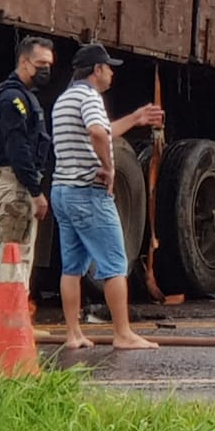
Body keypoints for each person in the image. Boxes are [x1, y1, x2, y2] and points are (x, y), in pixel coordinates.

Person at [50, 43, 164, 350]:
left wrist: (136, 118)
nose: (112, 73)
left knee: (71, 267)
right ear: (96, 70)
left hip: (62, 191)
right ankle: (123, 334)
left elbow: (105, 130)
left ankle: (73, 334)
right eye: (108, 67)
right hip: (89, 192)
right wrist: (109, 167)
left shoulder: (65, 99)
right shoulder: (90, 96)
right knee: (115, 263)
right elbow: (98, 133)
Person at [0, 36, 55, 274]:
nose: (46, 70)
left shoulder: (20, 96)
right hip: (15, 181)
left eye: (49, 64)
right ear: (24, 62)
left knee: (19, 253)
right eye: (41, 63)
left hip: (15, 180)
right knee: (16, 254)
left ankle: (15, 307)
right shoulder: (13, 99)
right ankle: (10, 310)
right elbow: (17, 147)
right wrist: (35, 190)